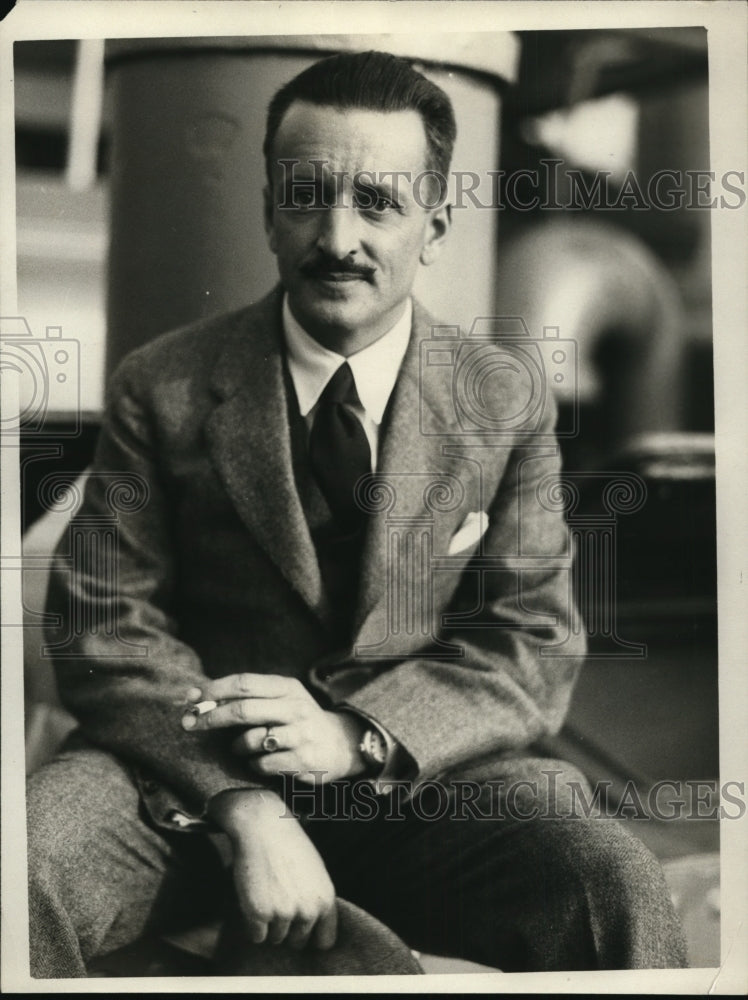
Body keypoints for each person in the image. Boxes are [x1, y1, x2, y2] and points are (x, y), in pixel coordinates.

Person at [27, 50, 687, 977]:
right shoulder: (160, 385)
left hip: (420, 786)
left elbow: (529, 643)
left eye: (377, 203)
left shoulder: (504, 400)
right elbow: (106, 626)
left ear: (435, 225)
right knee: (24, 865)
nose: (338, 238)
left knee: (609, 877)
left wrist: (357, 736)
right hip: (180, 787)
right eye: (306, 197)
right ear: (269, 211)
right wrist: (245, 805)